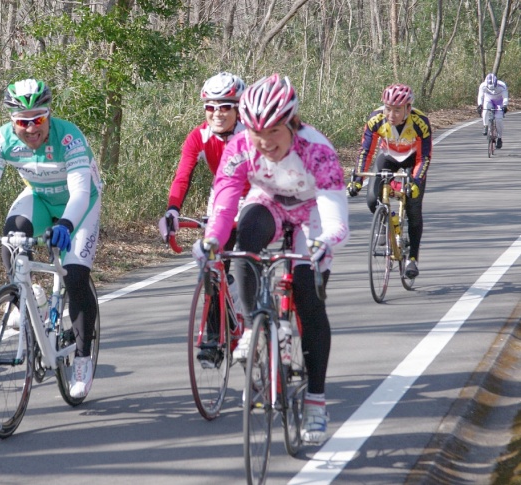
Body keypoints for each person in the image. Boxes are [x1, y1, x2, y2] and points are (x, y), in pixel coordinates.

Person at [192, 74, 349, 444]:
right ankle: (252, 326)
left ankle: (315, 401)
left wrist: (326, 243)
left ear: (292, 122)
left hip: (312, 214)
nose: (264, 142)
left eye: (274, 131)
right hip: (269, 204)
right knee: (243, 239)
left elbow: (335, 217)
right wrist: (212, 239)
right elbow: (226, 196)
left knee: (310, 301)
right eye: (255, 131)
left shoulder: (317, 150)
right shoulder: (242, 147)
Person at [0, 78, 103, 399]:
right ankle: (28, 296)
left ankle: (82, 357)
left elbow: (80, 192)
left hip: (80, 205)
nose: (31, 129)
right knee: (13, 237)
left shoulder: (70, 138)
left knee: (75, 276)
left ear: (49, 116)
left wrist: (65, 223)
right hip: (40, 197)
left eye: (38, 119)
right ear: (12, 122)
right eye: (23, 122)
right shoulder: (1, 140)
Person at [158, 72, 249, 367]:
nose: (216, 114)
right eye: (210, 107)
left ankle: (252, 320)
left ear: (238, 108)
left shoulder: (251, 133)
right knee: (213, 265)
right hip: (222, 197)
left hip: (255, 196)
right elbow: (182, 175)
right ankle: (213, 339)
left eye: (224, 107)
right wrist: (172, 210)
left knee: (248, 258)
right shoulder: (199, 135)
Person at [347, 83, 431, 279]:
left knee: (413, 207)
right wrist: (358, 179)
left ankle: (412, 259)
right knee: (371, 199)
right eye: (388, 109)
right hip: (389, 156)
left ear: (408, 109)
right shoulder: (375, 119)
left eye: (397, 110)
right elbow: (366, 152)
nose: (391, 114)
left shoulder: (421, 123)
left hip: (413, 159)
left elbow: (424, 158)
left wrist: (416, 182)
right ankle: (389, 218)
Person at [477, 73, 509, 148]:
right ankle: (485, 125)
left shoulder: (502, 86)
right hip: (489, 100)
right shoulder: (483, 86)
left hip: (499, 102)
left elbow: (505, 97)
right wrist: (480, 105)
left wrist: (504, 105)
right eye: (490, 89)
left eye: (494, 88)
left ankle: (500, 138)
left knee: (499, 120)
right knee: (485, 110)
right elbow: (480, 96)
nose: (493, 91)